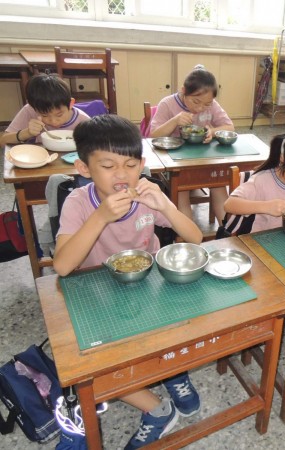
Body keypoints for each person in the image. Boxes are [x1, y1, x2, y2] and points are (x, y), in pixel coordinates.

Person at [52, 115, 203, 450]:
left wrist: (163, 202)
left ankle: (175, 374)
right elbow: (62, 266)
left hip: (150, 287)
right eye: (108, 165)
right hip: (100, 293)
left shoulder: (147, 194)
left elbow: (194, 237)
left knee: (175, 332)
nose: (122, 175)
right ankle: (157, 408)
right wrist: (100, 217)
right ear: (84, 168)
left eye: (130, 164)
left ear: (142, 165)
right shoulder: (79, 203)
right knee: (90, 371)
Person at [150, 66, 234, 222]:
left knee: (219, 183)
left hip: (203, 162)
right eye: (196, 101)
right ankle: (187, 241)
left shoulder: (212, 105)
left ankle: (229, 232)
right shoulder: (167, 104)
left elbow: (229, 127)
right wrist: (174, 121)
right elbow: (153, 136)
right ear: (183, 91)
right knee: (181, 189)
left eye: (206, 104)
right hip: (176, 165)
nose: (200, 108)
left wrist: (213, 131)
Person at [0, 73, 90, 147]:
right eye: (44, 115)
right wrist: (27, 133)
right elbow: (3, 141)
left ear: (71, 104)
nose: (54, 122)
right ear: (33, 107)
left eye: (59, 115)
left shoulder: (84, 121)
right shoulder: (30, 110)